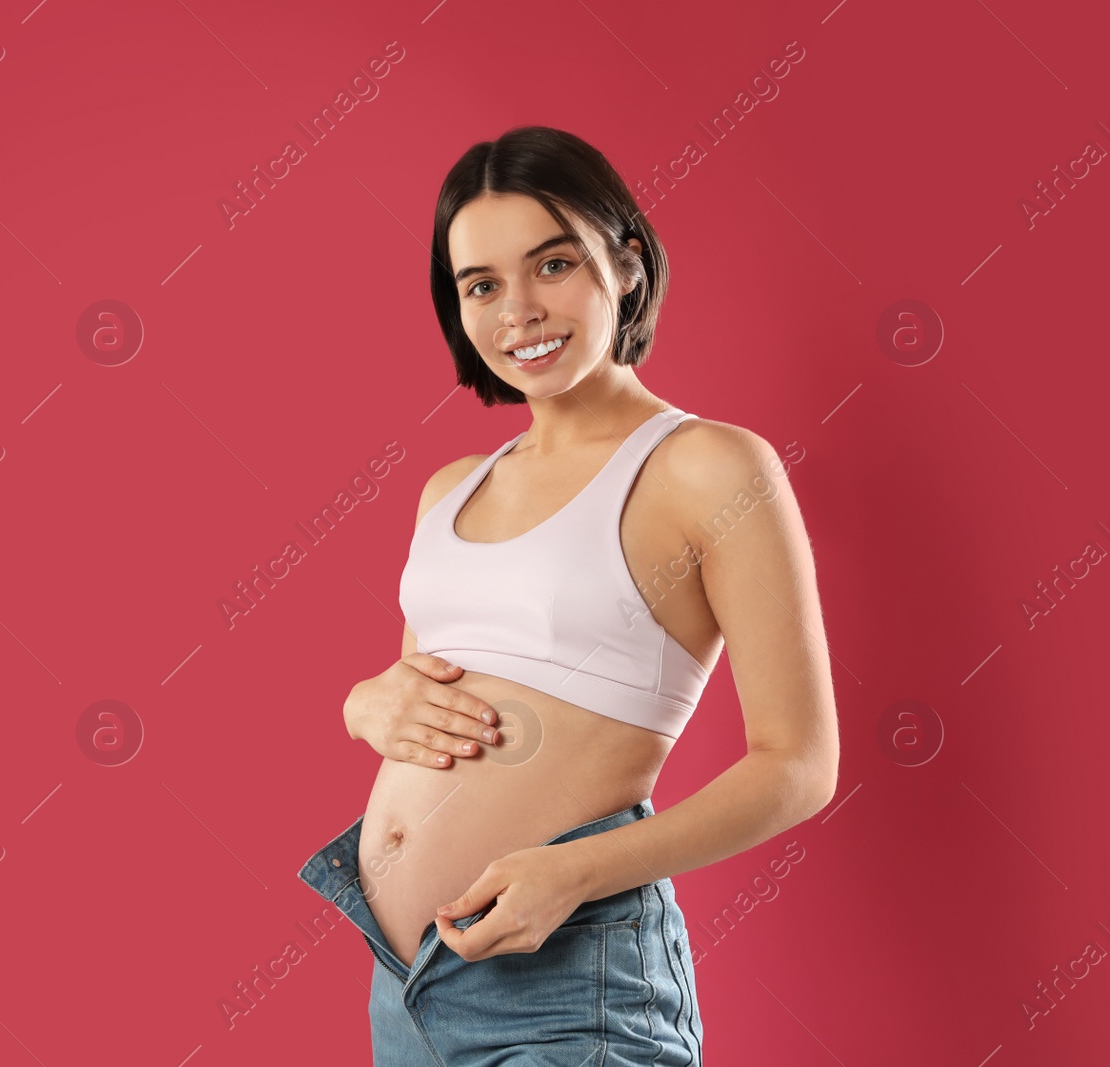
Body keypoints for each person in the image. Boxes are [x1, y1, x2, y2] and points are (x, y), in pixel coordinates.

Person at [298, 126, 839, 1066]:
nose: (520, 310)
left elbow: (799, 764)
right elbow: (426, 691)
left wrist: (573, 872)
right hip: (403, 979)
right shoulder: (452, 488)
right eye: (482, 284)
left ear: (624, 262)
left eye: (552, 262)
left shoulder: (707, 467)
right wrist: (363, 701)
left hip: (567, 981)